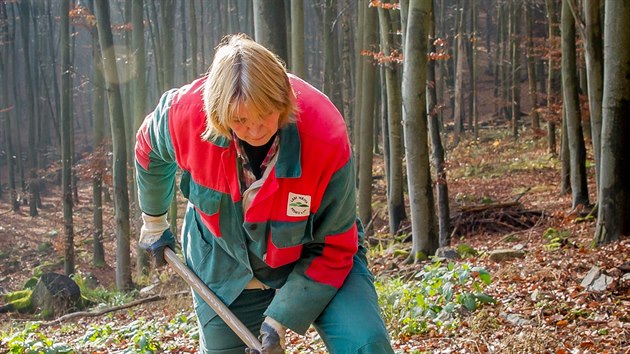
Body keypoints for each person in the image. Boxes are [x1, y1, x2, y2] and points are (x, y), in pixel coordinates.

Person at [135, 33, 394, 354]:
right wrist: (154, 221)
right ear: (217, 112)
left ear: (284, 100)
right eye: (240, 120)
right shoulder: (185, 114)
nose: (255, 130)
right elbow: (148, 150)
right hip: (224, 264)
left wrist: (279, 319)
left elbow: (334, 247)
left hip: (316, 253)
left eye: (266, 115)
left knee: (366, 344)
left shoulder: (324, 133)